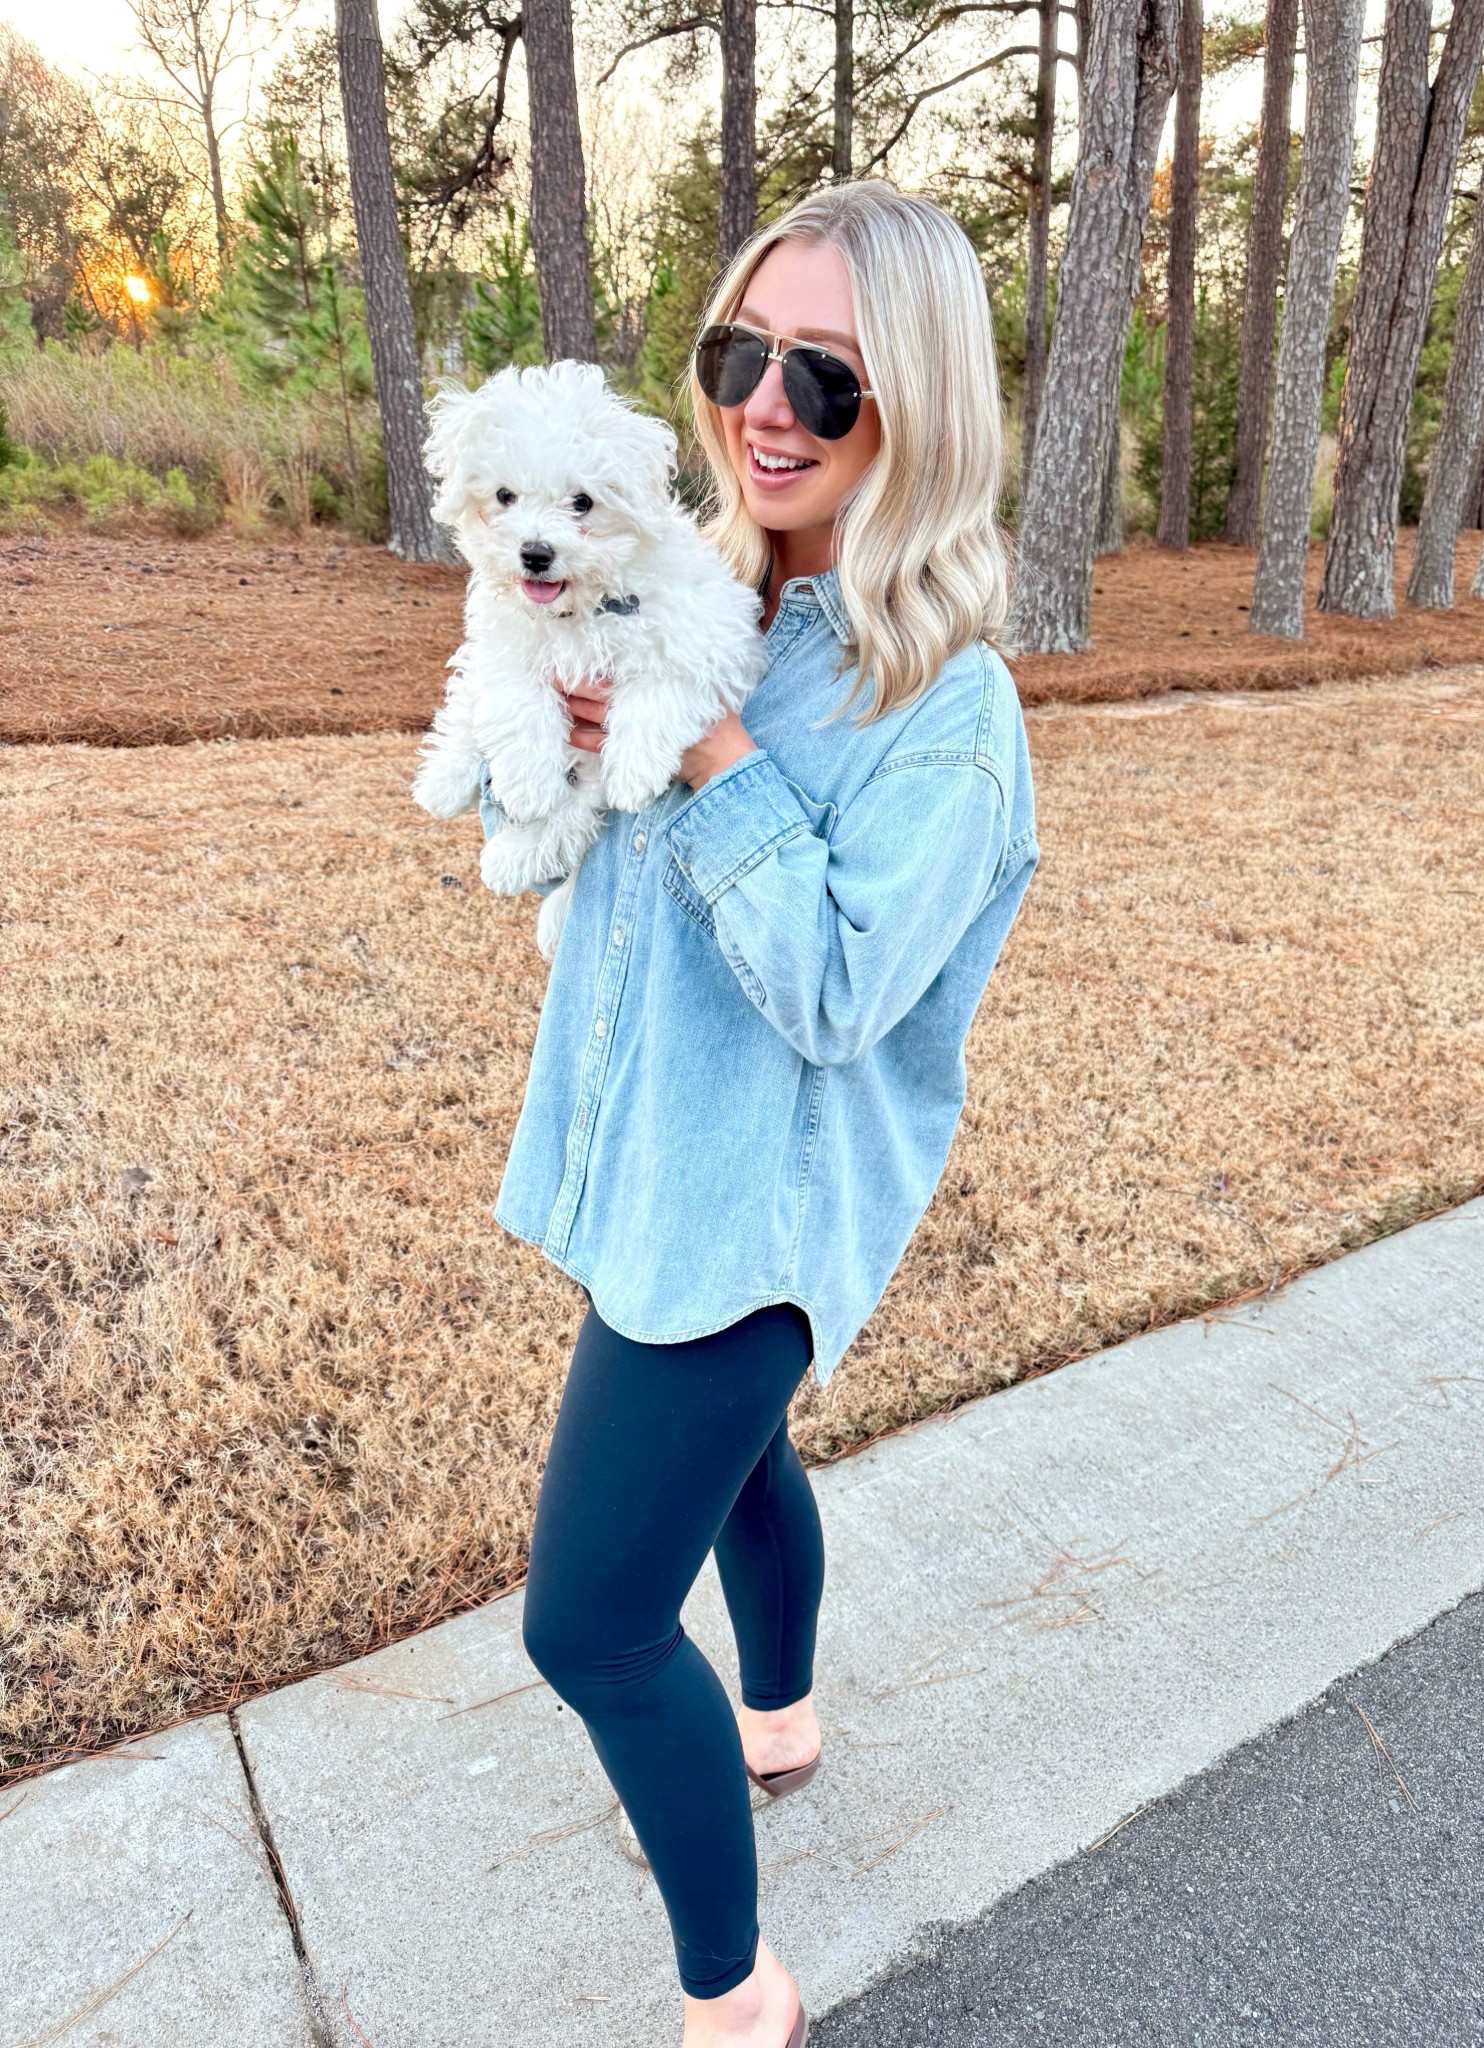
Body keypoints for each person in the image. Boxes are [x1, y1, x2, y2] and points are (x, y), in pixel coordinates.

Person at [484, 178, 1040, 2048]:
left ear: (927, 409)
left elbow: (831, 993)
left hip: (754, 1220)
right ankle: (782, 1723)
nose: (771, 404)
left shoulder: (944, 707)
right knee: (734, 1475)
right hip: (650, 1164)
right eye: (746, 354)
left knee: (593, 1630)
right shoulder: (697, 591)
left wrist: (705, 751)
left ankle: (741, 1998)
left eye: (831, 375)